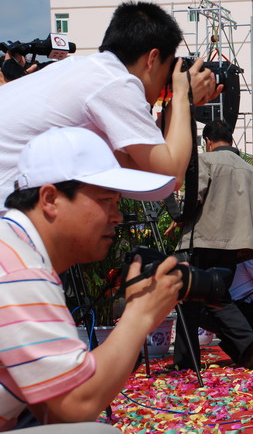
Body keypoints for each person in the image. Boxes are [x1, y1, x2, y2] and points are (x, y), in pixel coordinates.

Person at [0, 127, 180, 431]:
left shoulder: (15, 249)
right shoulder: (20, 269)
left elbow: (52, 410)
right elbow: (74, 406)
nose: (117, 216)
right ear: (50, 199)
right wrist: (140, 314)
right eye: (106, 200)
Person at [0, 1, 223, 211]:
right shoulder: (115, 82)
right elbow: (171, 177)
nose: (168, 81)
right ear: (152, 59)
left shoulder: (86, 70)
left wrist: (178, 104)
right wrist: (183, 96)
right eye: (168, 70)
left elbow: (140, 166)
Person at [170, 120, 253, 371]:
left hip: (204, 241)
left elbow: (195, 197)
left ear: (208, 141)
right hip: (235, 247)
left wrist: (179, 217)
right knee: (213, 297)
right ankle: (246, 343)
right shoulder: (251, 171)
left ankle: (190, 360)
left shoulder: (206, 160)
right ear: (231, 139)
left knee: (195, 298)